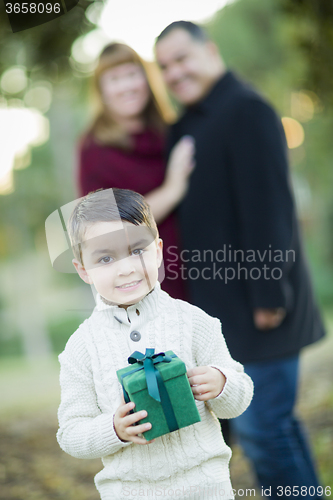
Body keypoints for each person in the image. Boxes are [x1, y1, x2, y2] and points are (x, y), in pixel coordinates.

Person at [155, 21, 326, 499]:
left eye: (182, 58)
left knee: (264, 432)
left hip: (261, 303)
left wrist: (269, 294)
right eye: (164, 67)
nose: (174, 73)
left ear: (210, 50)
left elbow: (269, 208)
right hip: (220, 311)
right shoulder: (185, 126)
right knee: (275, 429)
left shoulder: (247, 110)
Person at [55, 187, 254, 500]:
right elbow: (70, 434)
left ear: (158, 250)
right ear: (84, 270)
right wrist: (113, 429)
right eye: (105, 258)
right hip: (131, 493)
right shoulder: (81, 348)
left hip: (207, 487)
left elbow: (238, 400)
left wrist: (222, 382)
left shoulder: (193, 321)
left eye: (137, 251)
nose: (126, 268)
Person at [77, 42, 195, 301]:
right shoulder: (95, 150)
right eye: (114, 79)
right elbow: (108, 229)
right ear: (102, 90)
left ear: (147, 78)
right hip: (147, 283)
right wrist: (173, 190)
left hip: (200, 270)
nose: (126, 86)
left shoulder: (171, 131)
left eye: (132, 75)